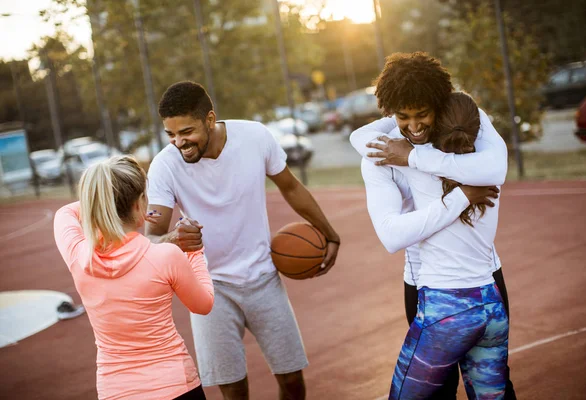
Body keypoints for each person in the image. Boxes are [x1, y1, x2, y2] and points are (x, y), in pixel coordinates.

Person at [145, 81, 340, 400]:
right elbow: (151, 238)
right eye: (171, 134)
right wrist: (173, 238)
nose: (179, 142)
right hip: (210, 289)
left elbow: (290, 187)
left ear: (209, 119)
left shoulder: (254, 137)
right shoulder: (165, 166)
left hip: (263, 277)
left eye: (187, 131)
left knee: (292, 380)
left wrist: (330, 233)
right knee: (233, 390)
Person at [350, 52, 516, 399]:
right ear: (390, 112)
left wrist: (413, 156)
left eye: (422, 114)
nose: (413, 126)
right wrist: (460, 197)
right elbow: (391, 235)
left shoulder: (468, 127)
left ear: (440, 105)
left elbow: (495, 169)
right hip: (427, 284)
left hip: (467, 287)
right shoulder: (380, 155)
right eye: (402, 116)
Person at [53, 155, 214, 400]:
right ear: (139, 204)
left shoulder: (78, 255)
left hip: (115, 391)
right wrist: (195, 252)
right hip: (175, 386)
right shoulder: (165, 255)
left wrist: (102, 202)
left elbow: (65, 213)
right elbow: (204, 304)